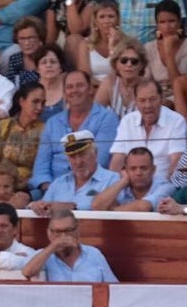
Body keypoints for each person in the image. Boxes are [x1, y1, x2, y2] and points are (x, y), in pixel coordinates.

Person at [31, 70, 120, 198]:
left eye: (79, 85)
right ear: (64, 94)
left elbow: (100, 159)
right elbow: (41, 166)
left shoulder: (107, 118)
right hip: (52, 188)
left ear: (90, 89)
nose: (74, 90)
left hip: (92, 186)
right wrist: (51, 188)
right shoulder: (52, 123)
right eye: (69, 87)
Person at [109, 78, 186, 181]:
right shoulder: (127, 121)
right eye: (142, 100)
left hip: (163, 184)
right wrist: (111, 185)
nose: (148, 105)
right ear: (135, 101)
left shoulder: (176, 121)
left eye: (153, 99)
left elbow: (176, 162)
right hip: (131, 185)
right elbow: (117, 160)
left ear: (162, 98)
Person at [30, 130, 119, 214]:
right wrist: (36, 206)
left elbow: (118, 210)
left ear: (95, 153)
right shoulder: (59, 183)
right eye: (72, 156)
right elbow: (44, 206)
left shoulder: (113, 180)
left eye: (82, 154)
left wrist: (72, 207)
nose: (78, 162)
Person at [21, 208, 118, 282]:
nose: (63, 236)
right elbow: (27, 272)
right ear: (49, 233)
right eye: (57, 232)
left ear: (77, 230)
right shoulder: (44, 256)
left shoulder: (94, 253)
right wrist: (53, 246)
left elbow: (113, 287)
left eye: (68, 230)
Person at [0, 81, 45, 195]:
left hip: (28, 189)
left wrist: (16, 186)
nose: (40, 107)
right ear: (22, 101)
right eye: (35, 102)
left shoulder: (44, 130)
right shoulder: (3, 126)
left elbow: (41, 169)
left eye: (43, 103)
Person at [92, 146, 175, 211]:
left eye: (144, 168)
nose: (138, 173)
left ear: (153, 170)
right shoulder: (120, 185)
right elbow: (97, 206)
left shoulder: (165, 186)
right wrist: (124, 181)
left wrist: (112, 210)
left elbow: (144, 207)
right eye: (133, 168)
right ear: (125, 170)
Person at [145, 0, 187, 107]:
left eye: (171, 21)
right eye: (162, 22)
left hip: (182, 98)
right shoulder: (149, 48)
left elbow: (178, 84)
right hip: (156, 98)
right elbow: (146, 82)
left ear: (179, 22)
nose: (167, 26)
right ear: (157, 25)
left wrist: (169, 53)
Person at [94, 37, 148, 118]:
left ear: (141, 65)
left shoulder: (148, 87)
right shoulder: (109, 83)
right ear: (116, 63)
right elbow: (95, 114)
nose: (129, 65)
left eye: (134, 61)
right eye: (124, 60)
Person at [75, 0, 123, 83]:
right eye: (102, 17)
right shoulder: (85, 44)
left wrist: (113, 47)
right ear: (95, 22)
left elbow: (124, 74)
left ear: (118, 20)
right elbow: (85, 77)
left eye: (111, 16)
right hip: (93, 89)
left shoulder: (126, 43)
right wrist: (103, 89)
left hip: (119, 89)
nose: (107, 21)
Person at [33, 44, 66, 122]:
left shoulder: (68, 89)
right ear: (37, 69)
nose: (49, 65)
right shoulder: (31, 90)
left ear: (60, 67)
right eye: (44, 62)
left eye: (53, 62)